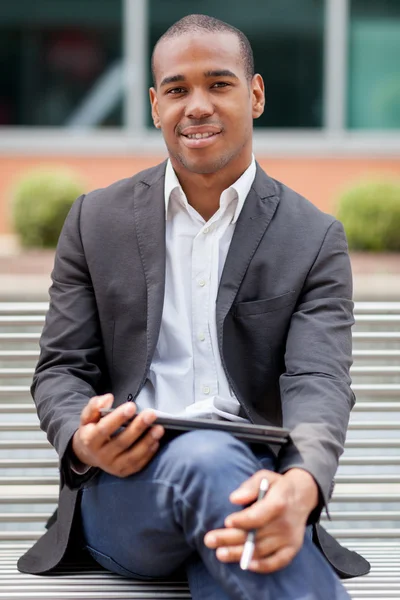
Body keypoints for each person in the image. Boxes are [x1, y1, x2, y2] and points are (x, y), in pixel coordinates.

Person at [18, 14, 367, 600]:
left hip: (255, 483)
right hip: (127, 489)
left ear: (254, 95)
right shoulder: (94, 222)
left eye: (220, 84)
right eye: (178, 90)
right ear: (156, 107)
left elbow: (318, 379)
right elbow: (62, 370)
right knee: (208, 459)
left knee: (227, 543)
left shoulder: (312, 237)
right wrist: (84, 441)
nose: (197, 106)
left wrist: (302, 483)